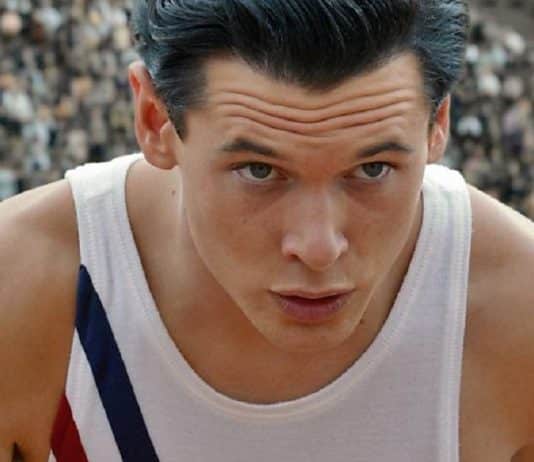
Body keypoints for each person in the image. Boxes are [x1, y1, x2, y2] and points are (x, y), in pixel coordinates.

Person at [0, 0, 533, 461]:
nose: (319, 247)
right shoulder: (26, 289)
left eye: (373, 169)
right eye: (258, 171)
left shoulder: (516, 309)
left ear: (437, 125)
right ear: (154, 120)